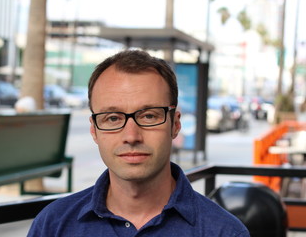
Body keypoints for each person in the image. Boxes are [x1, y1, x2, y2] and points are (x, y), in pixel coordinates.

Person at [27, 50, 250, 236]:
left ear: (175, 125)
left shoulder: (224, 232)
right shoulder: (53, 226)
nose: (131, 136)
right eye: (113, 118)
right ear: (94, 130)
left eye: (149, 116)